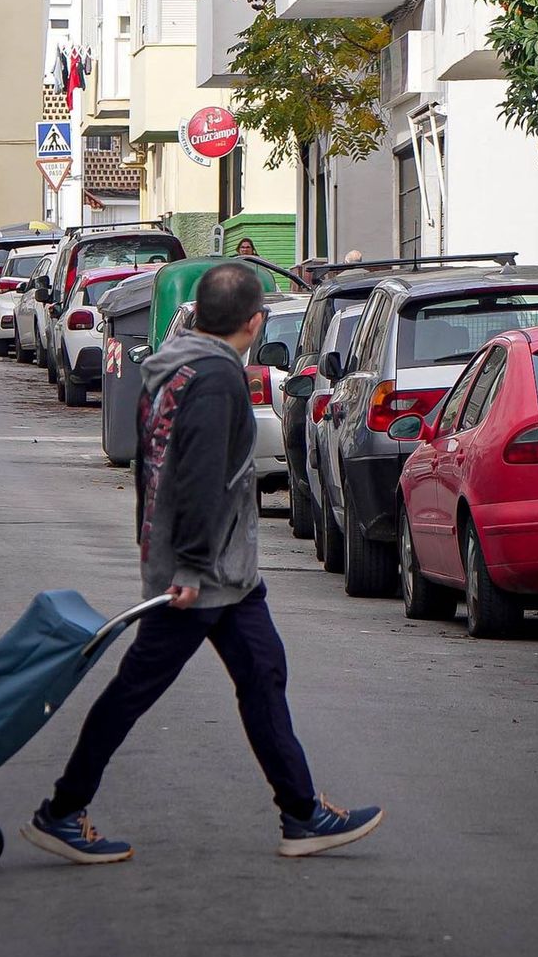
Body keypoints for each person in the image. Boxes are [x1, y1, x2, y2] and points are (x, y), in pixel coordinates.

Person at [22, 261, 381, 865]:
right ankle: (61, 810)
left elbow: (151, 466)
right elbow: (198, 477)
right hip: (200, 572)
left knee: (263, 674)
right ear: (255, 322)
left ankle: (302, 813)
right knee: (136, 689)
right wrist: (186, 567)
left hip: (221, 570)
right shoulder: (215, 381)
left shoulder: (175, 367)